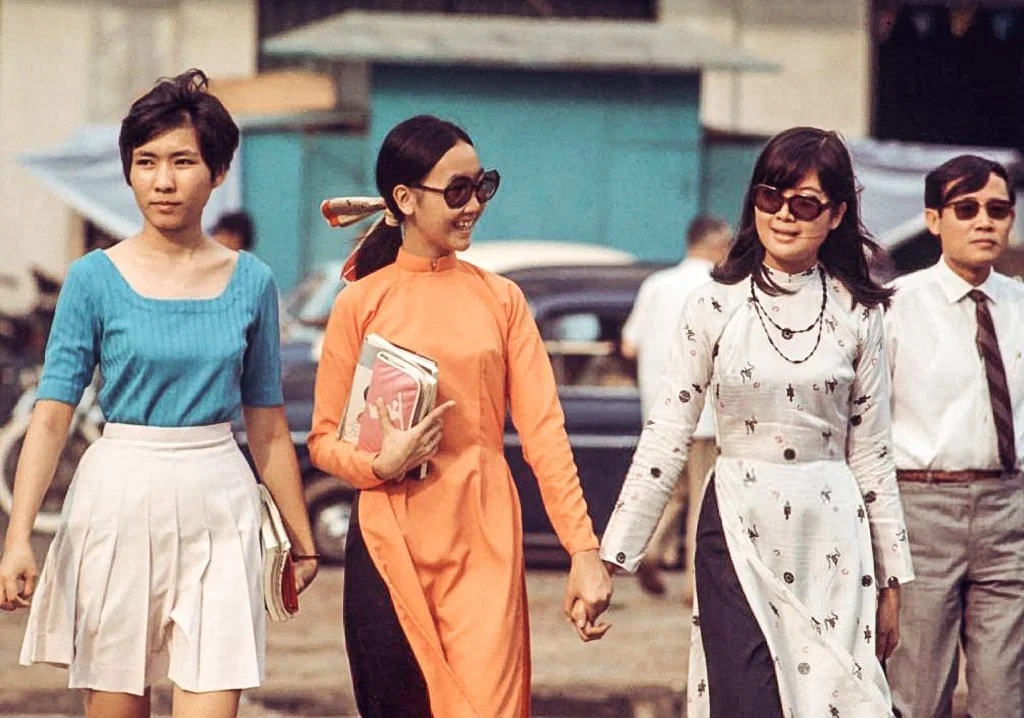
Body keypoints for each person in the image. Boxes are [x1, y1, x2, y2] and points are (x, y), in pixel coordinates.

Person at [0, 69, 318, 718]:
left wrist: (301, 536)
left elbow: (267, 425)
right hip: (117, 500)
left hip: (219, 505)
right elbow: (53, 415)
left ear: (219, 171)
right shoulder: (93, 279)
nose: (163, 180)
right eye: (145, 162)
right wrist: (17, 537)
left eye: (182, 161)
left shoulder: (252, 280)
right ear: (128, 171)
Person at [598, 127, 915, 717]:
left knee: (837, 702)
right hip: (736, 523)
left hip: (833, 535)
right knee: (745, 703)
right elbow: (667, 434)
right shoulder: (713, 304)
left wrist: (892, 579)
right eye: (772, 198)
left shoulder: (860, 312)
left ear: (838, 214)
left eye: (805, 204)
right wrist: (612, 558)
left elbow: (871, 453)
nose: (785, 217)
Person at [307, 114, 612, 717]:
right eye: (456, 191)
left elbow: (545, 434)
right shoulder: (360, 303)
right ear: (404, 199)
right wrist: (378, 463)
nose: (473, 204)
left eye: (482, 186)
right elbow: (322, 441)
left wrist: (584, 552)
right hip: (390, 538)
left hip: (484, 539)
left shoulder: (502, 300)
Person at [885, 155, 1024, 718]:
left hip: (1010, 512)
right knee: (917, 693)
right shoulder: (893, 307)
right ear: (934, 219)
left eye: (998, 209)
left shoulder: (1020, 303)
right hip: (922, 509)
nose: (984, 222)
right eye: (966, 209)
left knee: (1004, 695)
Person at [620, 215, 731, 598]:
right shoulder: (720, 286)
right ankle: (693, 584)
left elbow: (628, 345)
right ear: (717, 245)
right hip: (706, 415)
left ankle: (649, 550)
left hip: (658, 410)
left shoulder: (656, 285)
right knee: (702, 497)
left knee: (670, 489)